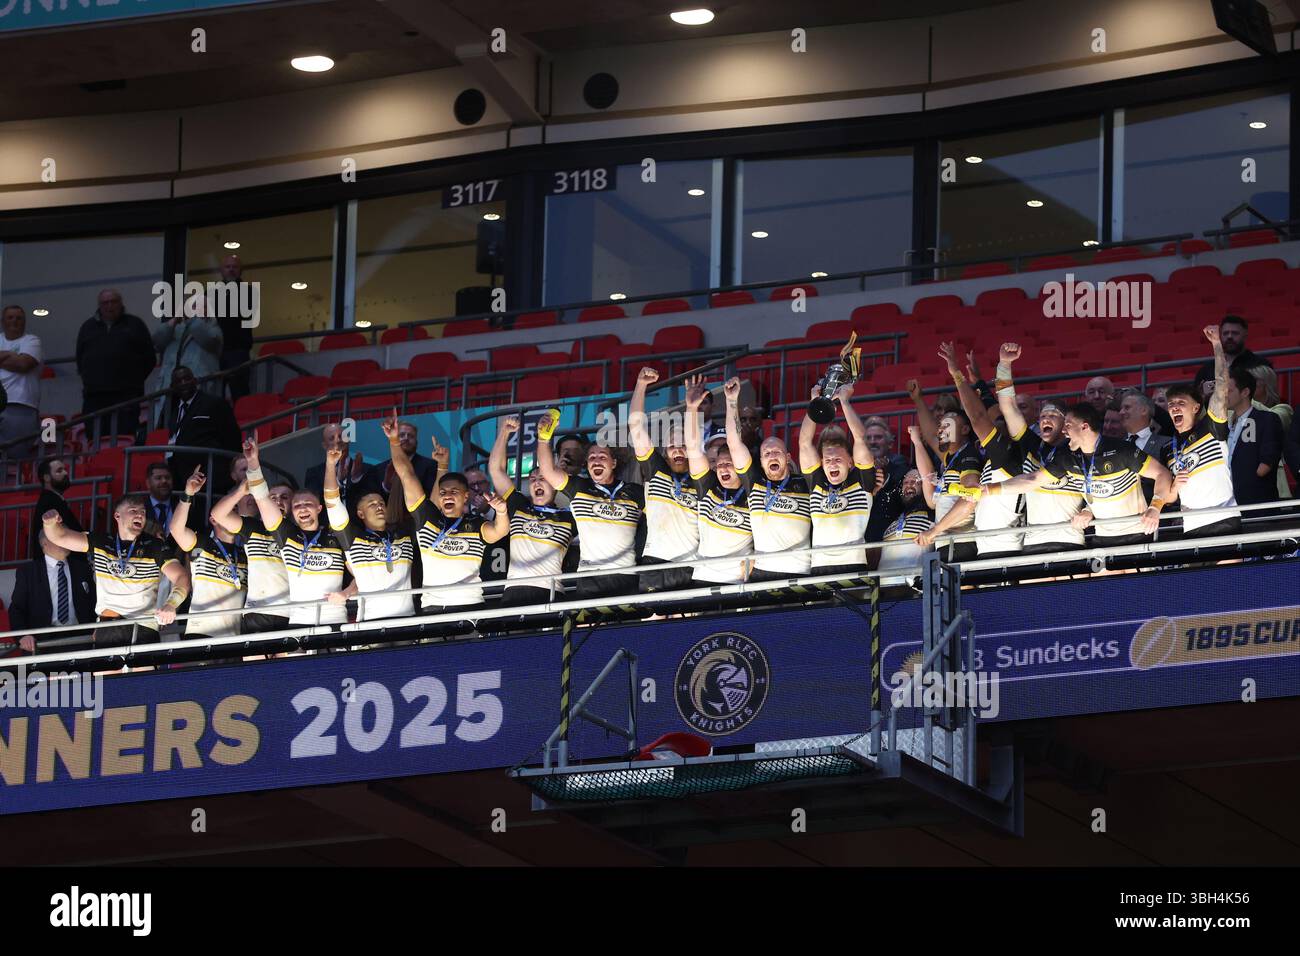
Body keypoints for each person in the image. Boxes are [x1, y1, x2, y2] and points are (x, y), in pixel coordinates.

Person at [986, 403, 1172, 555]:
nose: (1064, 432)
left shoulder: (1122, 450)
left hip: (1136, 533)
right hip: (1102, 537)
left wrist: (1155, 507)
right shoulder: (1068, 457)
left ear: (1084, 426)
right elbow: (1032, 479)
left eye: (1068, 425)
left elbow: (1162, 474)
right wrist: (988, 490)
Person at [41, 495, 190, 647]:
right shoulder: (101, 541)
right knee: (106, 672)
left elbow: (181, 576)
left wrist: (172, 604)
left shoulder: (156, 546)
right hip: (108, 625)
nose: (140, 515)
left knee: (144, 671)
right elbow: (60, 537)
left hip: (143, 627)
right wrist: (49, 524)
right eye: (133, 510)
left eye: (143, 512)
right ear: (117, 515)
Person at [535, 411, 644, 599]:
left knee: (628, 627)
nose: (596, 461)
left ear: (614, 462)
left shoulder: (635, 491)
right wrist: (544, 439)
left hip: (626, 575)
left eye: (602, 456)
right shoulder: (579, 488)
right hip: (590, 578)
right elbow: (547, 470)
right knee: (587, 628)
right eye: (592, 458)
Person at [400, 434, 508, 622]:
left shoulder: (475, 523)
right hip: (432, 609)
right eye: (443, 493)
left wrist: (501, 511)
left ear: (466, 496)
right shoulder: (429, 523)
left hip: (470, 606)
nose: (447, 496)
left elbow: (499, 531)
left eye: (454, 492)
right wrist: (394, 441)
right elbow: (406, 476)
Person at [244, 436, 349, 627]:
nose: (302, 508)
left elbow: (360, 577)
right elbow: (261, 498)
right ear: (292, 511)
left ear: (319, 509)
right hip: (298, 623)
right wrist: (253, 462)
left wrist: (345, 594)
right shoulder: (287, 535)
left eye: (308, 504)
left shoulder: (336, 534)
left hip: (335, 620)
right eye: (297, 505)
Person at [326, 417, 419, 623]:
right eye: (371, 504)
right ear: (360, 514)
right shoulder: (353, 539)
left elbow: (408, 477)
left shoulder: (403, 533)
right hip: (371, 624)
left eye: (381, 503)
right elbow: (332, 503)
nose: (378, 506)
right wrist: (331, 466)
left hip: (407, 621)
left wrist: (394, 442)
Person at [994, 351, 1084, 555]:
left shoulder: (1076, 450)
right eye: (1043, 415)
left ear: (1065, 425)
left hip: (1069, 540)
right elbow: (1008, 408)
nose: (1045, 419)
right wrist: (1004, 365)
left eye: (1053, 415)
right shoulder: (1032, 445)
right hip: (1034, 541)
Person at [487, 416, 576, 608]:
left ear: (554, 484)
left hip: (552, 593)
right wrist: (504, 432)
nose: (536, 481)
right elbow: (496, 470)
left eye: (542, 477)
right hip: (514, 592)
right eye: (532, 478)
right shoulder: (518, 506)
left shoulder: (569, 516)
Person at [1162, 327, 1241, 538]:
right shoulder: (1167, 448)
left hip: (1223, 517)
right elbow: (1167, 495)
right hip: (1191, 525)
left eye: (1181, 403)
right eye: (1171, 404)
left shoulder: (1211, 427)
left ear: (1196, 407)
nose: (1175, 407)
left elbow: (1222, 387)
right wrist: (1173, 487)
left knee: (1233, 572)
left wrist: (1216, 344)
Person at [629, 367, 699, 593]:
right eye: (672, 446)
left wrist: (691, 409)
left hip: (691, 565)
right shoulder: (656, 470)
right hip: (654, 563)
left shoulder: (702, 477)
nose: (678, 451)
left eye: (683, 446)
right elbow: (636, 428)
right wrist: (640, 385)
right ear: (663, 451)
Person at [798, 382, 876, 575]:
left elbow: (860, 439)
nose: (832, 464)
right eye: (828, 459)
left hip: (854, 565)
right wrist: (814, 402)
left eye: (838, 459)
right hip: (818, 567)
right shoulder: (816, 483)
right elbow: (804, 443)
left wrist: (844, 402)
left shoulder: (861, 480)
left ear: (851, 462)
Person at [684, 375, 754, 585]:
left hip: (737, 582)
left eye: (729, 463)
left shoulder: (754, 490)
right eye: (720, 463)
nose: (723, 467)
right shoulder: (707, 488)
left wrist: (732, 402)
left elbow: (734, 442)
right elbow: (693, 449)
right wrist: (691, 409)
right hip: (703, 579)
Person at [210, 457, 293, 635]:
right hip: (256, 612)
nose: (278, 502)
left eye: (284, 497)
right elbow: (218, 514)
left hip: (292, 612)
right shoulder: (253, 528)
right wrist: (240, 492)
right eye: (273, 498)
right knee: (252, 663)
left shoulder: (301, 534)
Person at [168, 465, 248, 640]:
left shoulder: (245, 554)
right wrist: (188, 494)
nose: (230, 518)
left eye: (234, 513)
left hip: (234, 639)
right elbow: (176, 529)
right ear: (214, 519)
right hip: (200, 635)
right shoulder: (202, 544)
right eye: (227, 514)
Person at [909, 379, 982, 562]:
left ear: (965, 429)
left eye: (947, 425)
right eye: (940, 426)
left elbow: (969, 501)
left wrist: (935, 530)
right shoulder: (951, 459)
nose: (940, 430)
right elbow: (930, 435)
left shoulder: (968, 456)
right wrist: (918, 400)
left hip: (961, 542)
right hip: (947, 541)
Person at [75, 289, 155, 441]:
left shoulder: (135, 325)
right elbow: (80, 358)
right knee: (96, 440)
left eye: (114, 301)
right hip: (94, 397)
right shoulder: (87, 327)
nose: (110, 306)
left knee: (124, 438)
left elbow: (149, 358)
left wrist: (133, 381)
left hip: (127, 396)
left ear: (121, 303)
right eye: (105, 302)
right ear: (99, 306)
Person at [7, 529, 96, 654]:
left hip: (80, 639)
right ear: (45, 543)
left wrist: (98, 628)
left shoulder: (82, 568)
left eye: (66, 537)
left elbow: (95, 602)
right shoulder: (28, 572)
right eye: (59, 537)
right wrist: (22, 636)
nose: (65, 541)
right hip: (41, 643)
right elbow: (17, 608)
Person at [159, 365, 242, 493]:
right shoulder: (175, 412)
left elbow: (232, 438)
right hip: (184, 480)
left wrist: (225, 470)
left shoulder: (214, 403)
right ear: (173, 387)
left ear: (195, 380)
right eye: (178, 381)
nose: (183, 383)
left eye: (187, 379)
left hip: (212, 479)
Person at [1225, 366, 1283, 510]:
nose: (1223, 395)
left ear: (1245, 392)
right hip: (1228, 505)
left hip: (1257, 504)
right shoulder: (1224, 424)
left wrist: (1255, 473)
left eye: (1229, 390)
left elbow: (1267, 461)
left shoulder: (1266, 419)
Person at [879, 442, 935, 587]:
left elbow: (930, 477)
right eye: (906, 482)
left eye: (915, 481)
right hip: (884, 593)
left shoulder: (933, 513)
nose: (909, 485)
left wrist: (917, 441)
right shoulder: (893, 518)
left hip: (915, 590)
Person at [152, 298, 223, 401]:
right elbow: (157, 341)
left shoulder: (214, 330)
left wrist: (192, 319)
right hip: (169, 389)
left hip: (197, 389)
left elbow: (208, 340)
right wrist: (174, 321)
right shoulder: (175, 330)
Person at [0, 305, 43, 466]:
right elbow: (17, 361)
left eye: (19, 318)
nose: (14, 321)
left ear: (24, 322)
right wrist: (10, 354)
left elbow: (24, 364)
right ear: (2, 321)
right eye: (10, 317)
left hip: (21, 405)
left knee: (15, 458)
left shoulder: (32, 340)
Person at [356, 419, 439, 502]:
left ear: (416, 442)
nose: (406, 438)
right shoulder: (378, 469)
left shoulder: (430, 466)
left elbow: (431, 496)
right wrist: (387, 487)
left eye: (411, 436)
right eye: (402, 435)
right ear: (393, 438)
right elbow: (373, 499)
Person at [1194, 315, 1269, 399]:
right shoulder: (1207, 368)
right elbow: (1196, 399)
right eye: (1225, 333)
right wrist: (1202, 395)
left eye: (1235, 333)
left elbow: (1267, 397)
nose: (1229, 337)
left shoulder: (1259, 364)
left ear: (1245, 335)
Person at [216, 254, 254, 403]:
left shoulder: (249, 291)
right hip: (217, 351)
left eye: (234, 266)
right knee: (215, 396)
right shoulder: (212, 293)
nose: (231, 270)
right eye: (228, 266)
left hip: (238, 350)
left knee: (240, 394)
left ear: (240, 270)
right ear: (221, 270)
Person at [304, 423, 368, 508]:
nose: (338, 440)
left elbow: (371, 498)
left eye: (341, 436)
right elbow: (314, 502)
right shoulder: (314, 473)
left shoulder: (366, 469)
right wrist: (338, 482)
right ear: (324, 445)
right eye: (331, 438)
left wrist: (355, 479)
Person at [29, 457, 83, 555]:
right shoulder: (49, 502)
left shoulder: (53, 500)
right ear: (46, 478)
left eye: (64, 469)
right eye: (59, 471)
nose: (65, 473)